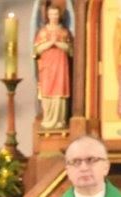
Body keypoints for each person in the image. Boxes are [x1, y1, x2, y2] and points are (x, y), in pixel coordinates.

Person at [34, 1, 73, 130]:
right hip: (47, 67)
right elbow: (37, 50)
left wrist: (58, 43)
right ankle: (48, 120)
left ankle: (59, 120)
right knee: (47, 90)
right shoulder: (43, 32)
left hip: (60, 66)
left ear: (59, 15)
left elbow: (70, 50)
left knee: (59, 91)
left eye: (56, 14)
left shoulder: (64, 32)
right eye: (51, 14)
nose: (54, 17)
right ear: (48, 15)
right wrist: (50, 43)